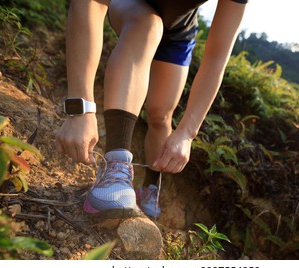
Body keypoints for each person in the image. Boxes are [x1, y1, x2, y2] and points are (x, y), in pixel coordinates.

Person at [56, 0, 247, 219]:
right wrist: (80, 108)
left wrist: (187, 133)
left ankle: (149, 188)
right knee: (148, 24)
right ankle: (116, 168)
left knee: (161, 115)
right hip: (131, 5)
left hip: (178, 30)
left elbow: (216, 59)